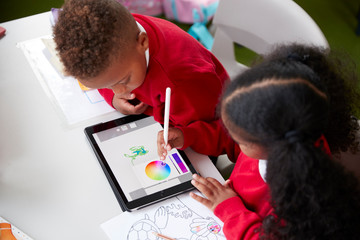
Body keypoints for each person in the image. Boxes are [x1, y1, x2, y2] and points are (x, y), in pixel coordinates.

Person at [189, 44, 360, 239]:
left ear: (270, 143)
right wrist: (190, 136)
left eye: (240, 138)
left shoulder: (301, 194)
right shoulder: (278, 135)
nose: (231, 136)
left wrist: (230, 209)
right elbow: (234, 142)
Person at [53, 0, 239, 162]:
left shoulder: (182, 82)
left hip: (197, 138)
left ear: (143, 42)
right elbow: (110, 80)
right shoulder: (119, 34)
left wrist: (186, 135)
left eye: (123, 80)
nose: (119, 91)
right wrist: (111, 97)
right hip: (158, 119)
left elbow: (223, 135)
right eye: (107, 86)